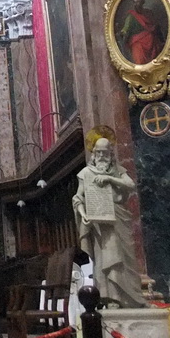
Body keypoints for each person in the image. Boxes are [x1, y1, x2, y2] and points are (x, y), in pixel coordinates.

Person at [72, 126, 144, 308]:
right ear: (93, 153)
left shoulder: (117, 171)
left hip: (118, 218)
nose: (102, 156)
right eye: (99, 152)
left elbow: (130, 185)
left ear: (111, 153)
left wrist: (110, 179)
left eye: (106, 152)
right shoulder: (86, 174)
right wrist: (83, 214)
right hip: (100, 223)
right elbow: (77, 198)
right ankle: (110, 298)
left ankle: (130, 299)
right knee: (107, 259)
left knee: (126, 259)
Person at [118, 0, 164, 64]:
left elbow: (154, 25)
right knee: (139, 61)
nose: (136, 4)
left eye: (138, 2)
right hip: (138, 43)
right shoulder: (131, 16)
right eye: (135, 2)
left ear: (143, 2)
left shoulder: (148, 13)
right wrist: (122, 33)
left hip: (151, 41)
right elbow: (126, 29)